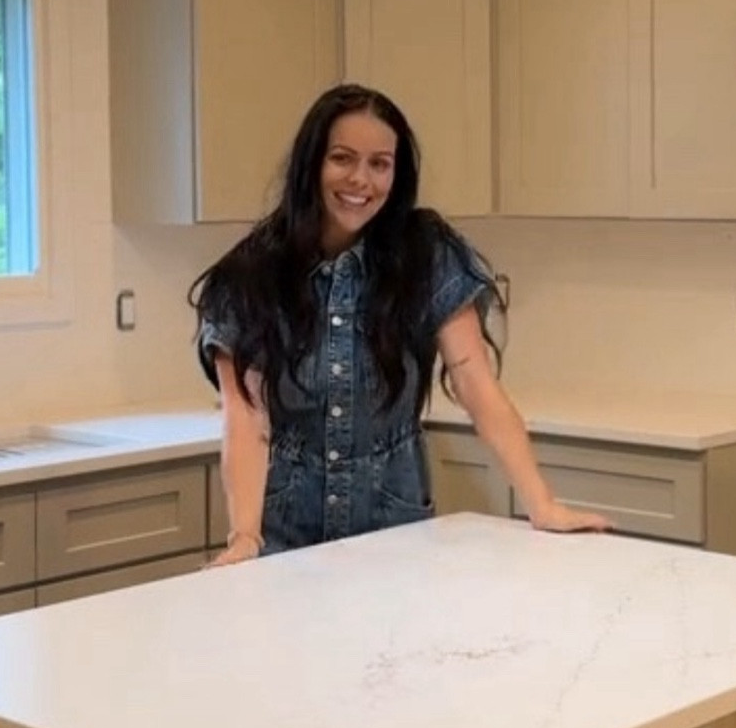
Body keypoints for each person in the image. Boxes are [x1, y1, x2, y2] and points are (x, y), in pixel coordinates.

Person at [191, 82, 608, 563]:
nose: (360, 180)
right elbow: (246, 418)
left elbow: (475, 382)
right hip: (285, 538)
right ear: (311, 163)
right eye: (342, 158)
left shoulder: (426, 255)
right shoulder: (250, 276)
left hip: (396, 530)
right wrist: (245, 538)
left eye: (380, 164)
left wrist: (542, 504)